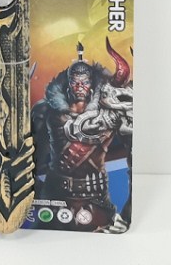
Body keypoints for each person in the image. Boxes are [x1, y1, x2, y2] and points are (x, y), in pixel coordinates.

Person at [31, 39, 133, 230]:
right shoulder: (46, 111)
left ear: (91, 84)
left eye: (84, 82)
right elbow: (31, 159)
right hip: (54, 195)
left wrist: (127, 213)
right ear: (68, 83)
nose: (79, 86)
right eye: (75, 82)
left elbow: (132, 156)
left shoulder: (110, 113)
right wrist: (35, 194)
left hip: (96, 199)